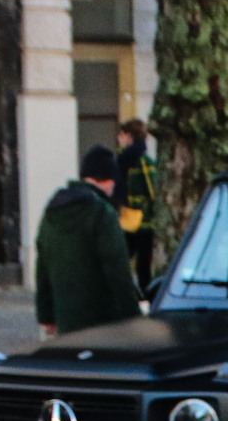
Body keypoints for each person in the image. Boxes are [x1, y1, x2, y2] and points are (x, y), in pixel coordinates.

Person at [36, 144, 143, 338]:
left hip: (66, 322)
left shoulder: (52, 210)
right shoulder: (102, 212)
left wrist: (46, 315)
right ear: (108, 179)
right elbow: (117, 270)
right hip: (103, 322)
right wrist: (133, 317)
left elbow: (42, 267)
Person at [115, 119, 160, 297]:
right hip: (126, 218)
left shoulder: (143, 161)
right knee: (121, 259)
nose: (119, 139)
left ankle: (146, 296)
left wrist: (146, 209)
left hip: (143, 221)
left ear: (129, 136)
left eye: (121, 135)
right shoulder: (122, 160)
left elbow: (153, 191)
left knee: (142, 266)